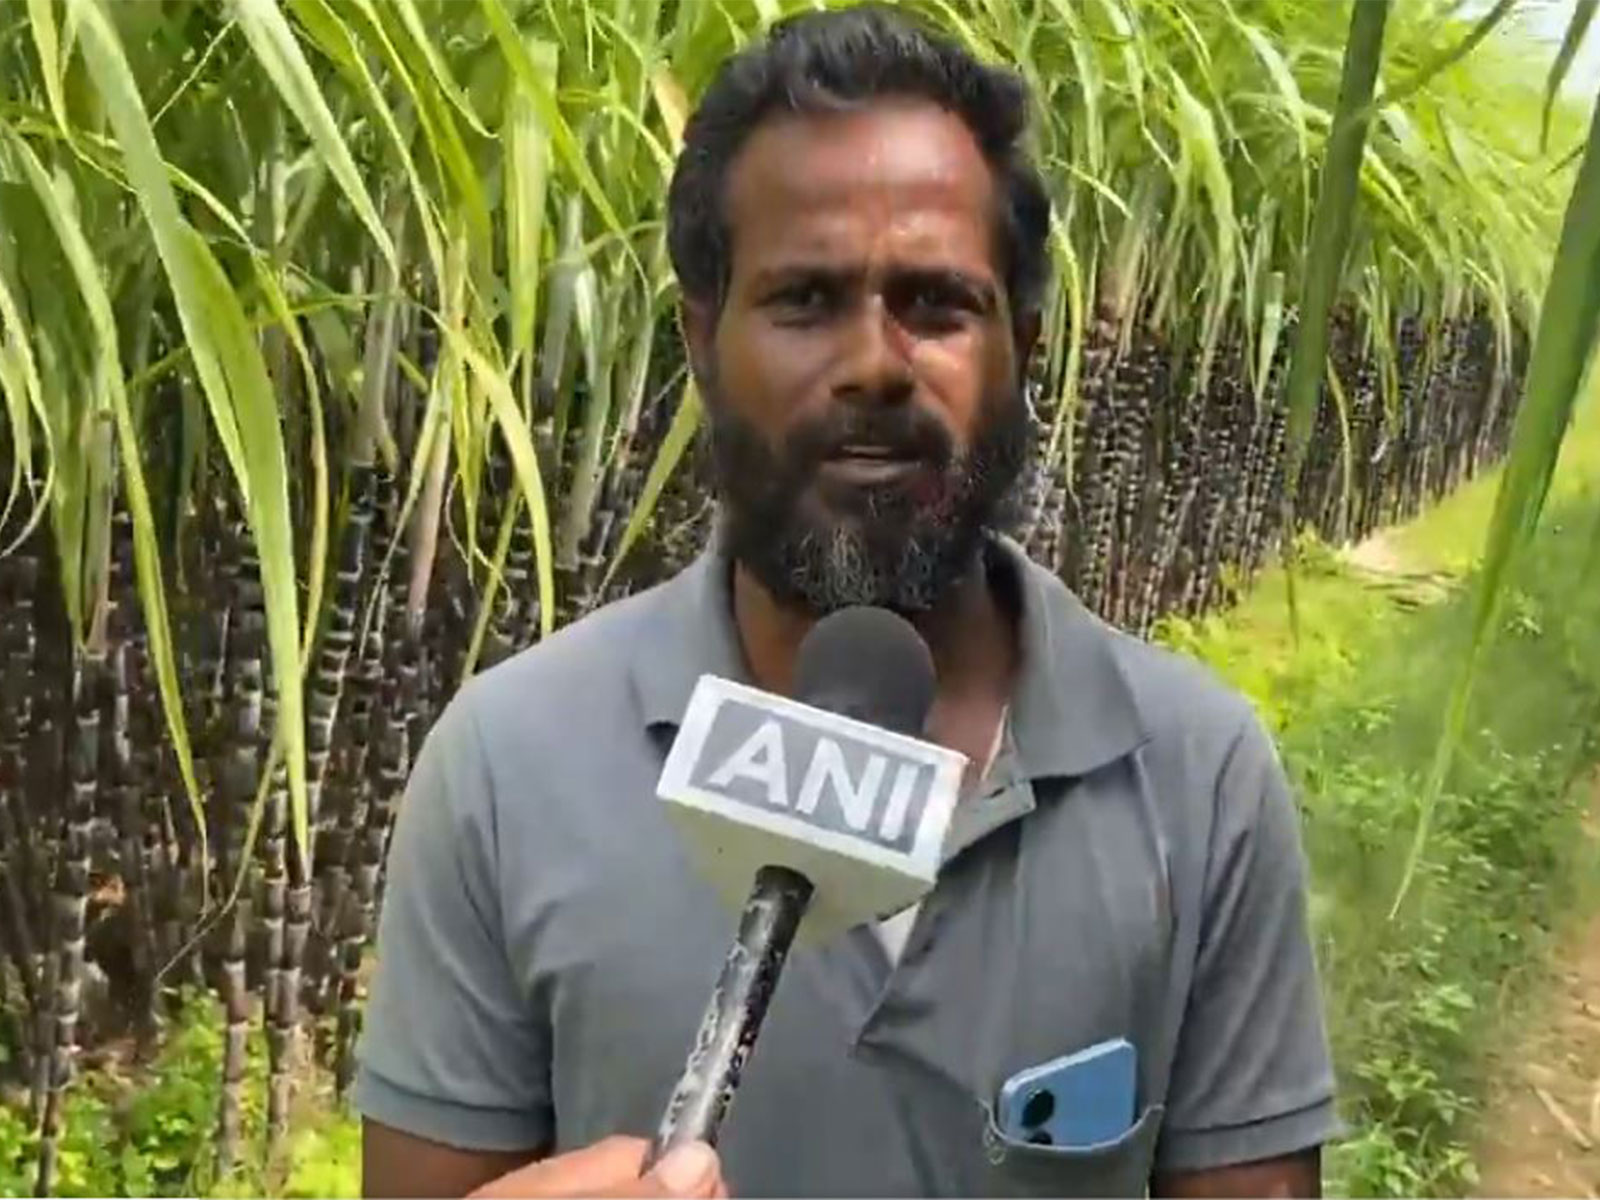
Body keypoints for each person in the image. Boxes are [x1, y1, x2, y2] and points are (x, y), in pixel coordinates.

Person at [352, 4, 1340, 1196]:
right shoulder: (508, 770)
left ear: (1021, 349)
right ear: (703, 338)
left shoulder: (1198, 780)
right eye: (805, 301)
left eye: (935, 303)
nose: (875, 361)